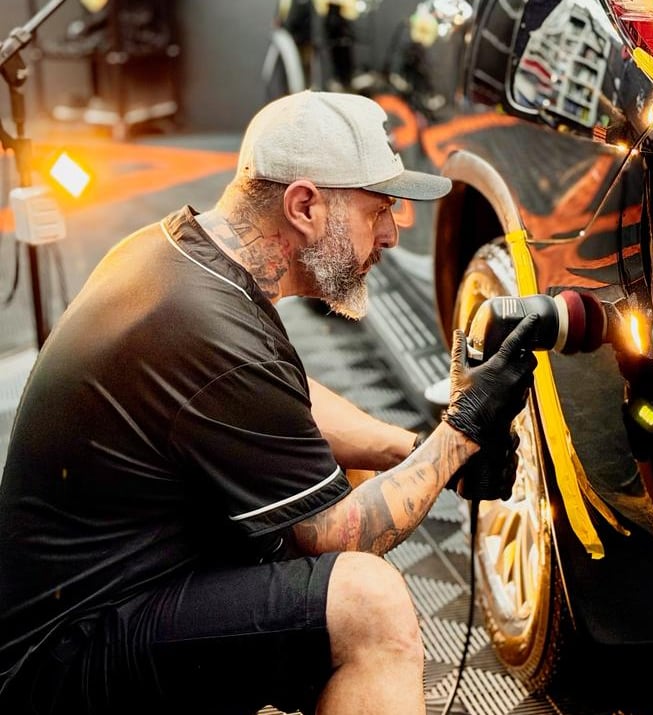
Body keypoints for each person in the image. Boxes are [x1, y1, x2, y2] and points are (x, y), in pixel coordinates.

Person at [0, 90, 538, 714]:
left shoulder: (182, 254)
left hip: (109, 597)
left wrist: (412, 451)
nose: (391, 234)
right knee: (367, 603)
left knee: (347, 476)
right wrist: (464, 430)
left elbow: (281, 396)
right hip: (63, 661)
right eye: (379, 209)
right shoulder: (208, 325)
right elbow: (337, 536)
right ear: (304, 205)